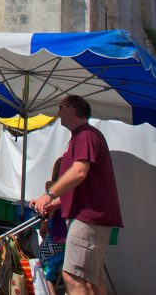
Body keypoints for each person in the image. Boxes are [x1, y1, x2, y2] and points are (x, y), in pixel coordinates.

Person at [32, 96, 122, 295]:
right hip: (91, 217)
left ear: (71, 109)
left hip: (88, 218)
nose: (58, 113)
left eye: (60, 108)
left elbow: (79, 172)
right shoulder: (82, 136)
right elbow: (84, 185)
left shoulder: (86, 135)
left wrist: (48, 194)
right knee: (92, 279)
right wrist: (56, 203)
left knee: (73, 276)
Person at [38, 158, 69, 295]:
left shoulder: (55, 191)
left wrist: (44, 224)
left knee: (44, 274)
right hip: (69, 240)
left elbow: (49, 214)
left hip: (55, 239)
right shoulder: (73, 192)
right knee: (70, 276)